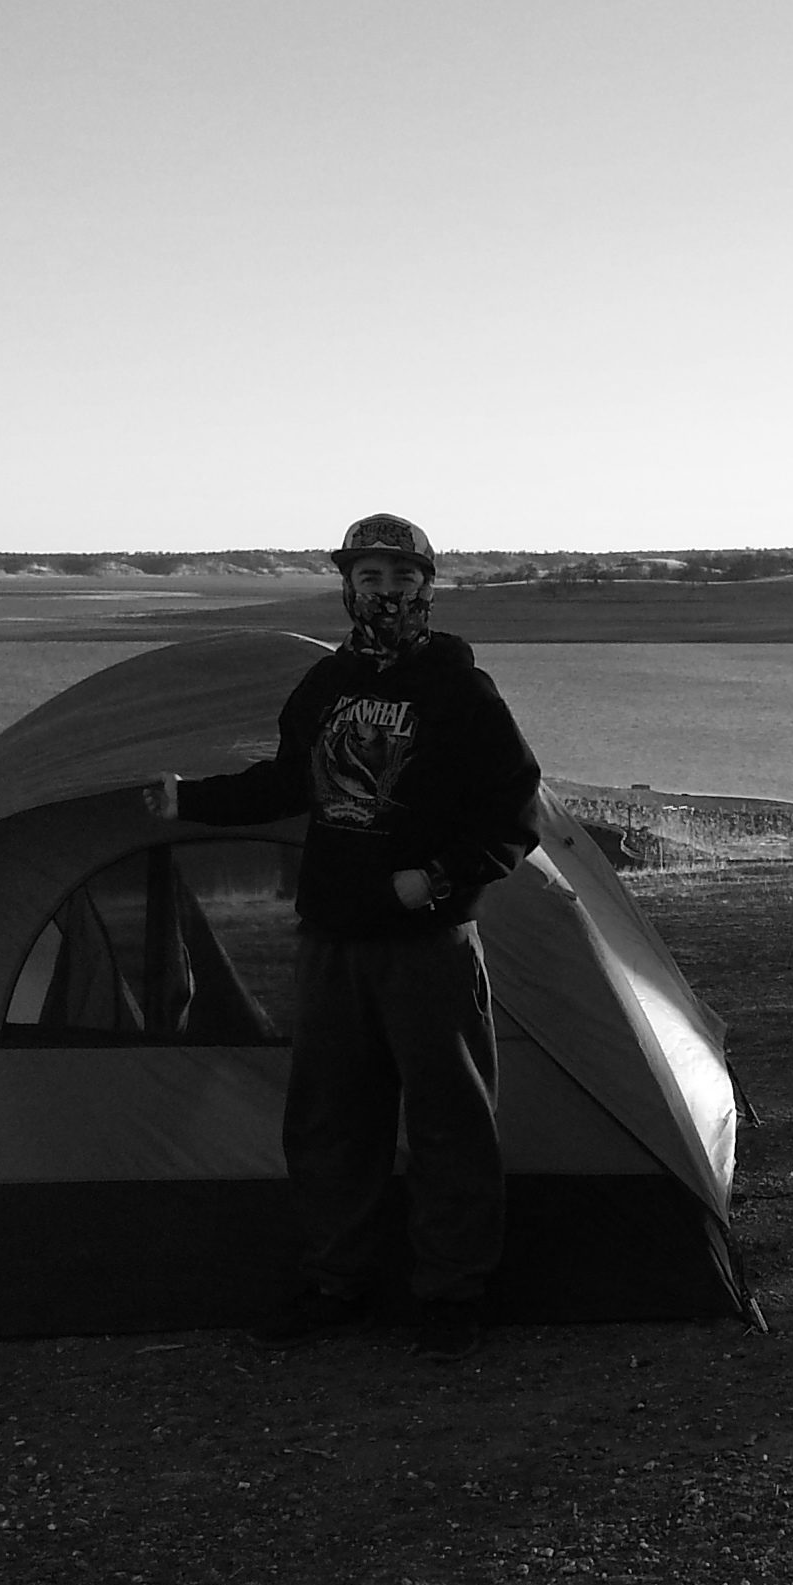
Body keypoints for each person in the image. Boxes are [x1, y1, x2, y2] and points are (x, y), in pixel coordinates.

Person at [150, 514, 541, 1358]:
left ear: (429, 587)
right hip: (331, 935)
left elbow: (515, 808)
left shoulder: (461, 691)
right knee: (332, 1120)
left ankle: (451, 1292)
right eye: (371, 579)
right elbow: (288, 783)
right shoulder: (325, 685)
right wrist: (190, 801)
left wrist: (439, 877)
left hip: (428, 942)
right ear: (348, 589)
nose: (387, 595)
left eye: (403, 579)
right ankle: (336, 1283)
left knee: (448, 1119)